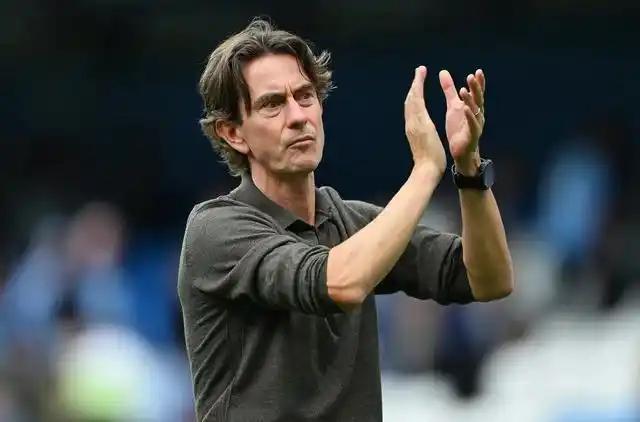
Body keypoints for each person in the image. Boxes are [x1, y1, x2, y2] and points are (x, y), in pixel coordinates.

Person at [178, 18, 514, 422]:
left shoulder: (351, 221)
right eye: (272, 104)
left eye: (305, 96)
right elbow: (340, 282)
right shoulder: (216, 229)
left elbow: (489, 279)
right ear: (233, 132)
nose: (298, 116)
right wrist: (426, 169)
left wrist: (469, 170)